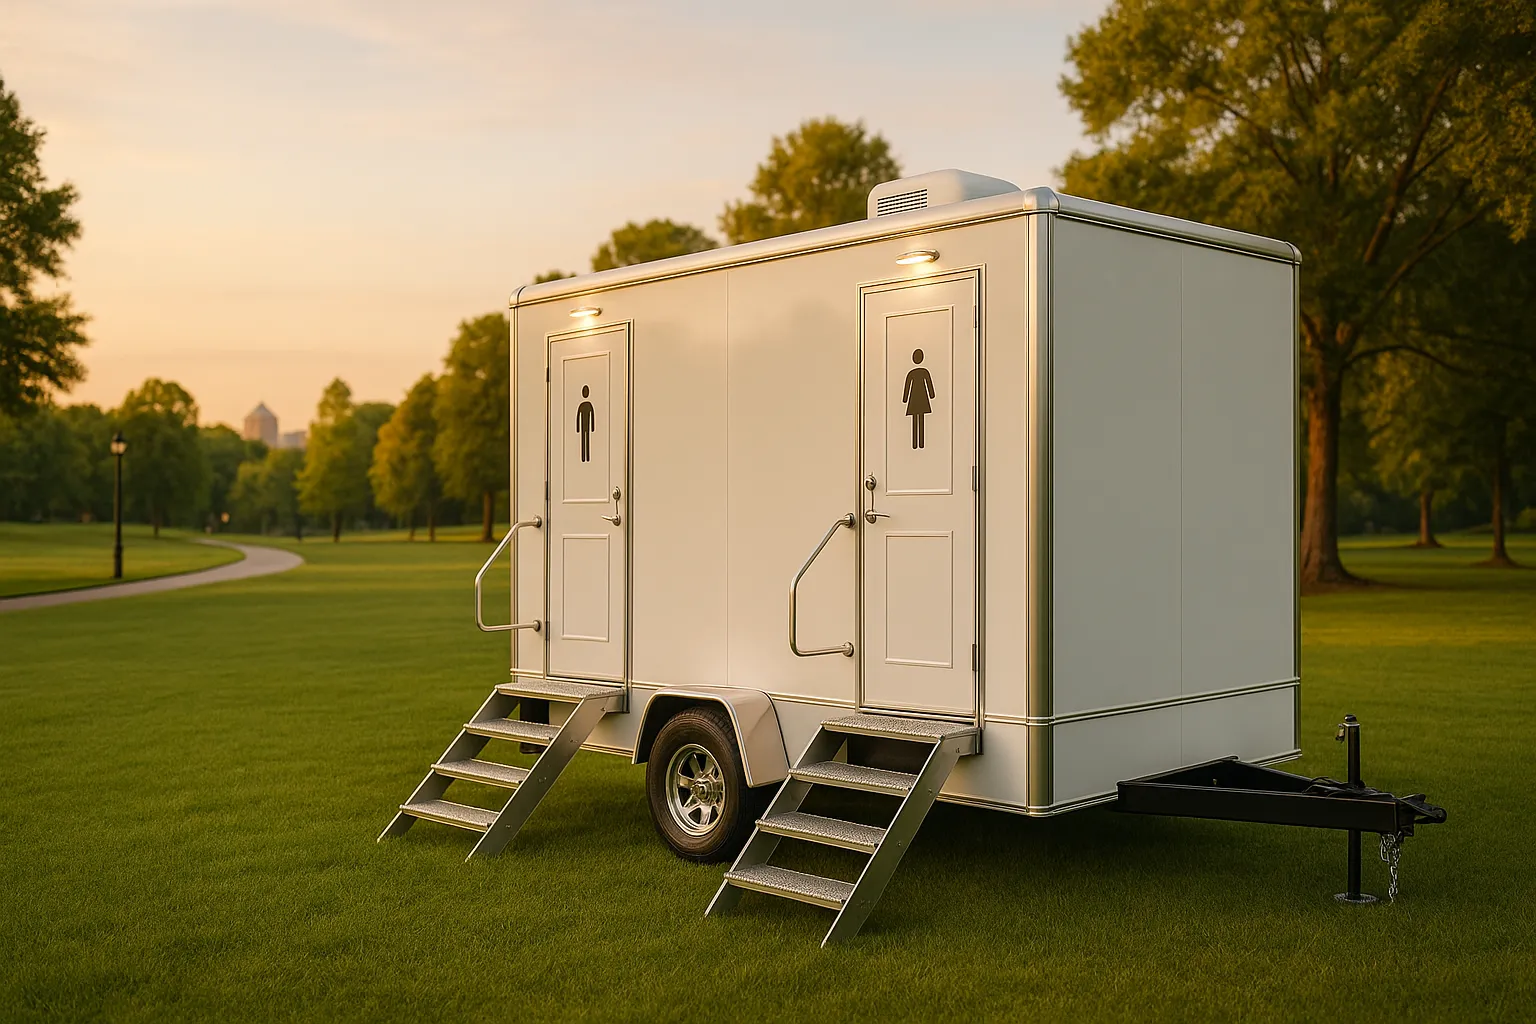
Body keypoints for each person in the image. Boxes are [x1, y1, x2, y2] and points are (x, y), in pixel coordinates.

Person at [902, 349, 935, 450]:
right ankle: (920, 443)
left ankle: (916, 444)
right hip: (922, 399)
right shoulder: (924, 372)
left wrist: (905, 399)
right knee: (920, 419)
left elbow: (907, 386)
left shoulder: (911, 373)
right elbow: (929, 384)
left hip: (914, 399)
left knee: (915, 420)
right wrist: (931, 395)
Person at [576, 385, 596, 462]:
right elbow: (578, 417)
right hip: (583, 426)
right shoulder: (582, 405)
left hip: (587, 426)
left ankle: (587, 457)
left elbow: (592, 416)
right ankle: (583, 457)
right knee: (583, 440)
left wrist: (593, 427)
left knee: (586, 439)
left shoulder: (588, 405)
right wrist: (577, 428)